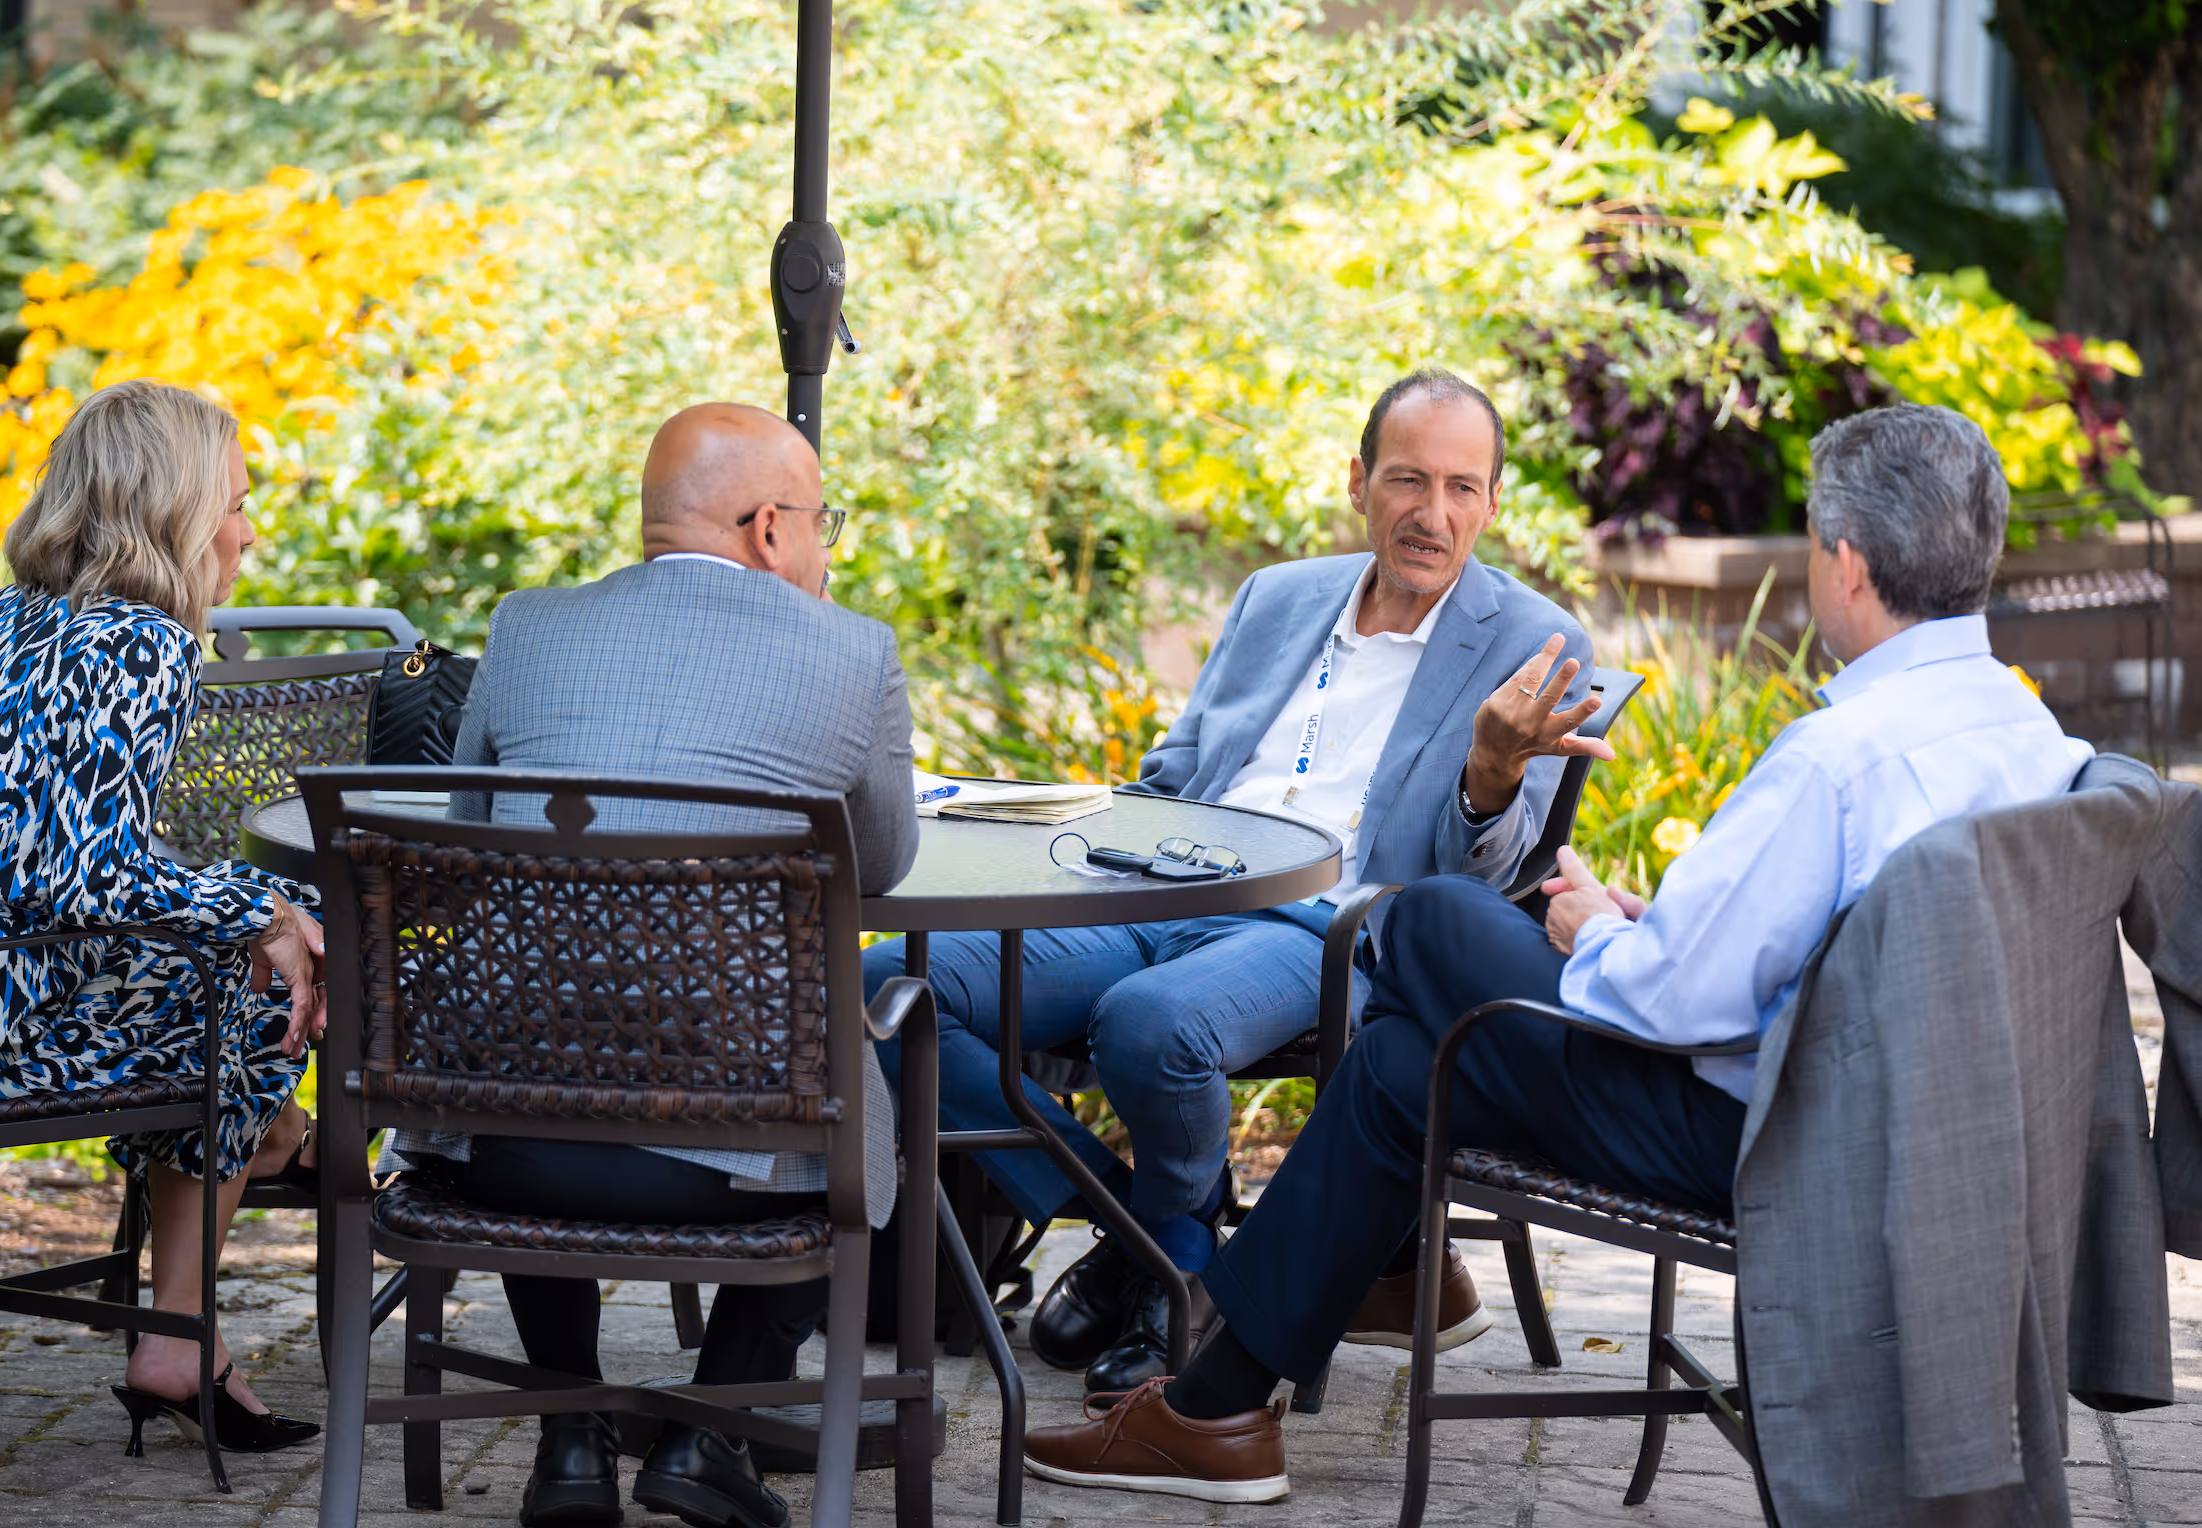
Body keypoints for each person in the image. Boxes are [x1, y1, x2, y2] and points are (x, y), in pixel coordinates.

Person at [1017, 402, 2097, 1503]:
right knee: (1398, 1069)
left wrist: (1601, 931)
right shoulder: (2030, 734)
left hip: (1775, 1132)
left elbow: (1677, 1003)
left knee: (1435, 920)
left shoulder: (1838, 758)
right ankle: (1224, 1405)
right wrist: (1650, 930)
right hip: (1916, 1125)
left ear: (1849, 564)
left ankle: (1313, 1311)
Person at [866, 368, 1605, 1390]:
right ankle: (1157, 1242)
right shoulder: (1279, 595)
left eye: (1462, 488)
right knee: (888, 990)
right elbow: (1175, 772)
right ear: (1358, 482)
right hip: (1158, 884)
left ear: (1491, 499)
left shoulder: (1539, 645)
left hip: (1327, 927)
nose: (1432, 515)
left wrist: (1491, 773)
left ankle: (1161, 1252)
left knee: (1151, 1023)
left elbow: (1488, 883)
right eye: (1406, 481)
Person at [416, 402, 915, 1528]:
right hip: (733, 1164)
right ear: (770, 528)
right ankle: (711, 1431)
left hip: (503, 1147)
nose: (827, 547)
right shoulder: (853, 649)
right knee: (877, 1049)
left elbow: (463, 829)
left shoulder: (524, 625)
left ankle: (571, 1439)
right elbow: (878, 863)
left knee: (538, 1014)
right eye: (824, 522)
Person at [0, 378, 327, 1458]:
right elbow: (87, 879)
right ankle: (195, 1300)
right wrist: (260, 912)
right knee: (261, 981)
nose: (248, 531)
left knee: (242, 967)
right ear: (177, 514)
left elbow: (52, 860)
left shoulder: (2, 618)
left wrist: (250, 916)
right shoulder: (144, 645)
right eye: (234, 503)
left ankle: (255, 1169)